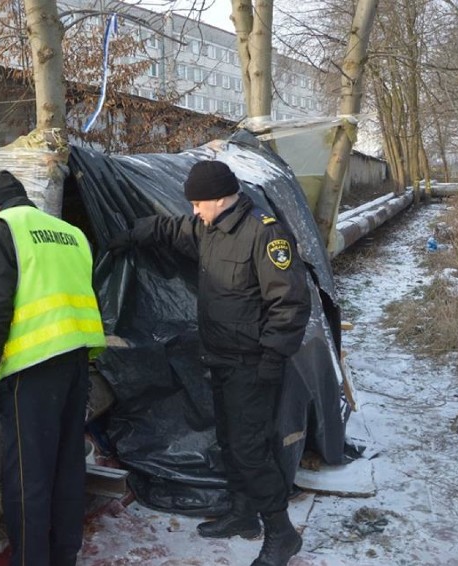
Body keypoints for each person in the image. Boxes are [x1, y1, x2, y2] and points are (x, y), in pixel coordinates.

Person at [108, 160, 310, 566]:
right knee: (231, 441)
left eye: (199, 203)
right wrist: (129, 236)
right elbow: (169, 228)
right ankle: (242, 514)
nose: (195, 211)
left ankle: (281, 532)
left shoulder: (264, 233)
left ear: (222, 198)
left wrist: (273, 356)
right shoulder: (209, 229)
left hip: (254, 363)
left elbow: (289, 303)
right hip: (220, 357)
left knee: (251, 449)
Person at [0, 170, 106, 566]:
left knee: (29, 477)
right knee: (67, 467)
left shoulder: (0, 227)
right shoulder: (68, 232)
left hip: (32, 369)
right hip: (76, 362)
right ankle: (64, 556)